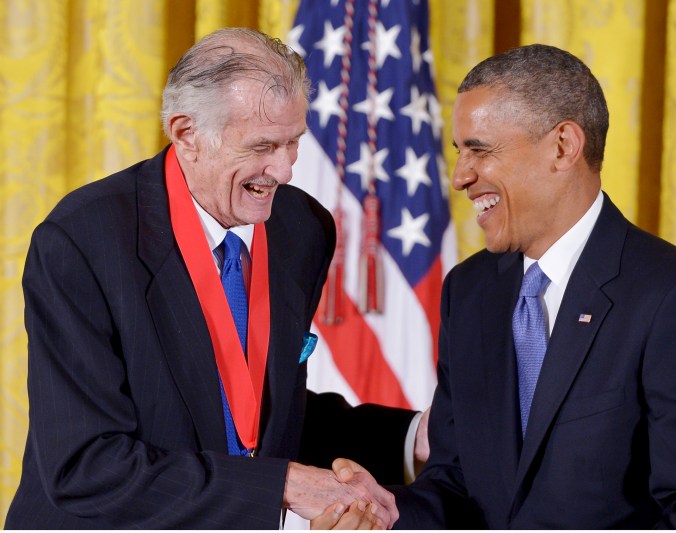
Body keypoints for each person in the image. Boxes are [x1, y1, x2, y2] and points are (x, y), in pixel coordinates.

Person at [319, 43, 676, 529]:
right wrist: (394, 514)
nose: (462, 176)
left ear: (563, 146)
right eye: (460, 152)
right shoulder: (468, 293)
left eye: (480, 149)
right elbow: (455, 483)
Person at [5, 27, 428, 529]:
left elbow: (250, 416)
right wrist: (284, 487)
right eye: (263, 145)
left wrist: (410, 435)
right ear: (186, 135)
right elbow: (85, 467)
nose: (286, 169)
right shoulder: (82, 241)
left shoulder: (302, 228)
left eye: (294, 142)